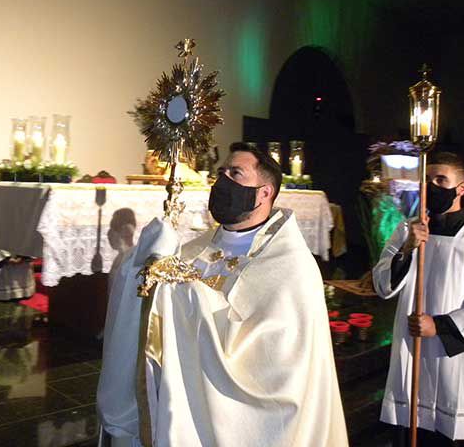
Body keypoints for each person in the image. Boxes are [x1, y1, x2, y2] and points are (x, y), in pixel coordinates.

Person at [98, 142, 347, 447]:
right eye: (221, 172)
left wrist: (179, 288)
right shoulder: (196, 248)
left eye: (235, 173)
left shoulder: (292, 266)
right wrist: (139, 262)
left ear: (264, 192)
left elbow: (271, 363)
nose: (222, 181)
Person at [373, 152, 464, 446]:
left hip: (457, 357)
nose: (432, 187)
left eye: (441, 180)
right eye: (427, 180)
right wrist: (408, 248)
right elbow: (382, 285)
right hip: (412, 350)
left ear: (461, 188)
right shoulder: (406, 231)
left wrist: (440, 326)